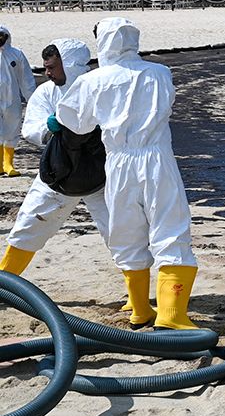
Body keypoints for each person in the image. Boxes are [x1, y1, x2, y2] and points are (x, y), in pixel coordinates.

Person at [53, 18, 200, 330]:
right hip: (157, 156)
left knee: (125, 228)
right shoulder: (160, 73)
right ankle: (172, 314)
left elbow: (77, 123)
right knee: (169, 226)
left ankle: (139, 309)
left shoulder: (94, 80)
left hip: (119, 160)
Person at [0, 39, 111, 276]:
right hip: (58, 170)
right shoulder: (46, 93)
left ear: (69, 64)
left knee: (120, 231)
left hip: (102, 171)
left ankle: (137, 300)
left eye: (52, 67)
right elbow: (30, 128)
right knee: (29, 223)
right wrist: (50, 128)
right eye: (46, 68)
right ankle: (5, 284)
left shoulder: (100, 87)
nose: (48, 73)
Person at [0, 26, 38, 177]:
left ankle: (8, 163)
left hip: (13, 98)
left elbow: (26, 79)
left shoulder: (16, 54)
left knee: (12, 126)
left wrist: (33, 100)